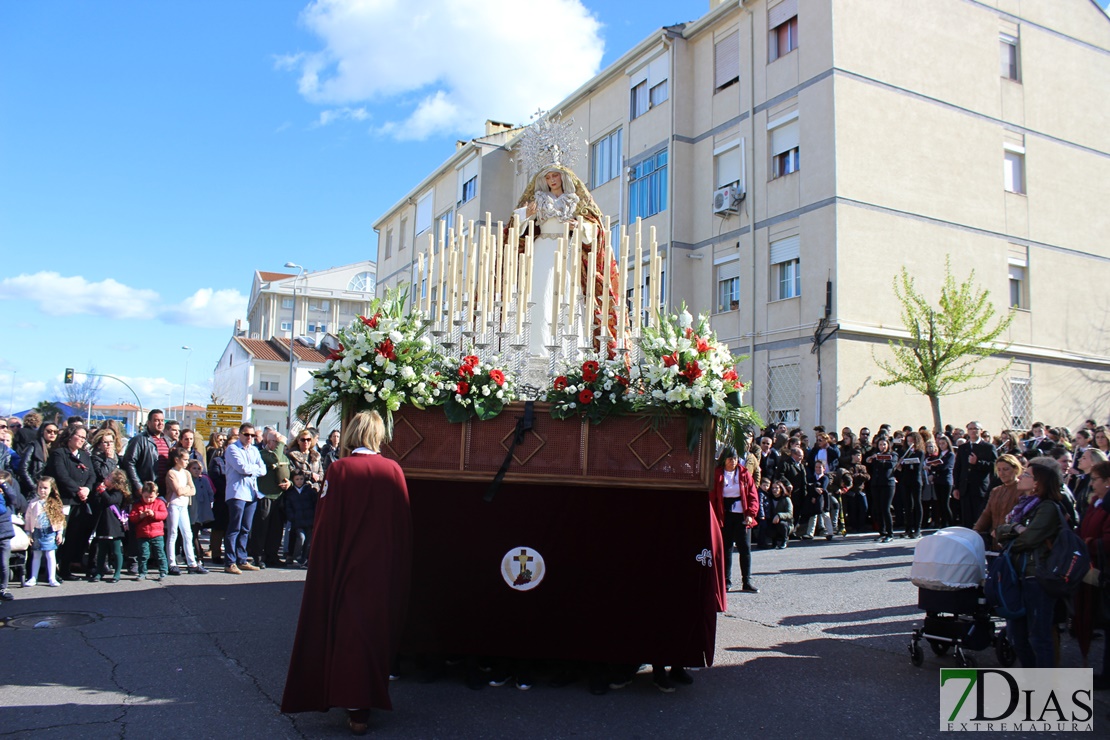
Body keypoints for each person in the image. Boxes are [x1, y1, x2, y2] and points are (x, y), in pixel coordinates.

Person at [281, 410, 413, 735]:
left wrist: (323, 565)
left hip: (347, 565)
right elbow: (403, 525)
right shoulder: (393, 470)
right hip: (381, 567)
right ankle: (363, 703)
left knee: (349, 633)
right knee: (372, 633)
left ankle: (356, 707)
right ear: (379, 435)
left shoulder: (339, 470)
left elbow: (324, 525)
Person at [511, 163, 621, 367]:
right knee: (540, 295)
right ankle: (537, 349)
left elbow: (595, 228)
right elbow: (513, 228)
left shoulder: (576, 201)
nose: (552, 180)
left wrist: (579, 226)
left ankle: (571, 352)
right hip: (542, 250)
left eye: (555, 176)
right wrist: (525, 215)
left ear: (563, 178)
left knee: (567, 296)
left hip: (567, 251)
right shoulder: (538, 201)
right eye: (548, 177)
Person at [994, 457, 1065, 668]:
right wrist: (1013, 529)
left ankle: (1044, 687)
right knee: (1017, 637)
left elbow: (1029, 539)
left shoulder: (1048, 507)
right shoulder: (1023, 505)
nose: (1021, 476)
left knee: (1039, 637)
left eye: (1026, 474)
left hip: (1037, 577)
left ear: (1037, 483)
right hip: (1017, 574)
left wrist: (1010, 535)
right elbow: (999, 530)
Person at [1073, 460, 1110, 685]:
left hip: (1104, 570)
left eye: (1095, 480)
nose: (1092, 483)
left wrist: (1088, 543)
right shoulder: (1097, 502)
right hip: (1093, 570)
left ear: (1107, 482)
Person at [46, 426, 95, 580]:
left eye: (84, 438)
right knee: (61, 536)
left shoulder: (85, 456)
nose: (82, 440)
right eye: (79, 436)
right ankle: (52, 570)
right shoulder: (59, 454)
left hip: (80, 502)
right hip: (64, 500)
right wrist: (77, 490)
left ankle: (65, 569)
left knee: (74, 536)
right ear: (70, 436)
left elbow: (92, 475)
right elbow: (62, 475)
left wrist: (87, 488)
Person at [710, 446, 759, 592]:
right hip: (724, 515)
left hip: (742, 515)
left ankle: (747, 581)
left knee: (745, 549)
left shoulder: (744, 474)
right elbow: (712, 497)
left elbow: (752, 496)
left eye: (735, 459)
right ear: (724, 460)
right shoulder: (717, 474)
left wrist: (751, 514)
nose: (733, 462)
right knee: (726, 549)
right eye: (730, 459)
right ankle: (726, 580)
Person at [224, 424, 266, 575]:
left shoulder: (254, 450)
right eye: (246, 434)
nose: (249, 438)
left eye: (252, 435)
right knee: (234, 528)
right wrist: (253, 469)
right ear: (240, 435)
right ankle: (230, 561)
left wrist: (252, 469)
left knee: (246, 528)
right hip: (237, 493)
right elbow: (242, 468)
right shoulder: (232, 449)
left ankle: (241, 559)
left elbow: (263, 469)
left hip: (252, 493)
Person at [250, 430, 290, 568]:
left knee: (276, 529)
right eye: (275, 441)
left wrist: (289, 483)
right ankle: (258, 556)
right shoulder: (262, 455)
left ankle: (272, 555)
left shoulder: (284, 456)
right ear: (268, 441)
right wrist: (282, 443)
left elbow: (287, 469)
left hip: (278, 497)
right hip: (265, 496)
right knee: (261, 528)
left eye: (279, 442)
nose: (278, 444)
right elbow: (275, 459)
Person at [165, 448, 207, 575]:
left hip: (183, 505)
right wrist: (185, 489)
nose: (186, 462)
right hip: (173, 504)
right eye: (184, 459)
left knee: (187, 534)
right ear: (176, 460)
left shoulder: (186, 473)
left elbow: (193, 490)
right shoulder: (171, 473)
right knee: (173, 533)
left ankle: (192, 563)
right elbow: (177, 490)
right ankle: (171, 563)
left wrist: (184, 490)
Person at [972, 454, 1023, 550]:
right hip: (995, 540)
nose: (1001, 473)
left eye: (1005, 469)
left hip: (1012, 541)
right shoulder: (996, 491)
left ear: (1015, 469)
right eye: (999, 470)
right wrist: (976, 531)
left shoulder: (1022, 490)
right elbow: (987, 514)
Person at [953, 420, 997, 528]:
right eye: (970, 429)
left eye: (976, 429)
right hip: (965, 488)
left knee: (979, 519)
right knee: (966, 519)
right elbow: (958, 468)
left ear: (981, 431)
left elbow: (994, 466)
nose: (973, 431)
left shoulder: (988, 447)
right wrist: (956, 487)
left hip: (980, 488)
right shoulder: (963, 448)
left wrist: (978, 463)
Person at [88, 469, 130, 583]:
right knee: (101, 551)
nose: (105, 479)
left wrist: (102, 491)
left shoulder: (118, 493)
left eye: (109, 478)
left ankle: (117, 573)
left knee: (116, 551)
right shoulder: (103, 491)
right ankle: (99, 572)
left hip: (114, 526)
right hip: (102, 525)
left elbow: (109, 501)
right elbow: (96, 501)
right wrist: (98, 492)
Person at [24, 476, 65, 587]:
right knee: (36, 555)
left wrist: (60, 533)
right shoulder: (33, 503)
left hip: (50, 531)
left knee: (50, 555)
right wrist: (28, 533)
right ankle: (33, 577)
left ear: (51, 489)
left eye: (45, 488)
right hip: (37, 531)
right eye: (40, 487)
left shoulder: (55, 503)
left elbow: (59, 519)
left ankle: (52, 577)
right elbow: (28, 519)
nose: (42, 490)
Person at [129, 482, 168, 581]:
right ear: (142, 494)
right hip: (142, 534)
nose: (148, 499)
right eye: (146, 497)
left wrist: (154, 514)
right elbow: (132, 518)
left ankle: (163, 571)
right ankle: (142, 572)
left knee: (160, 554)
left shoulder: (160, 503)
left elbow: (164, 515)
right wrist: (141, 516)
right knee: (143, 555)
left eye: (151, 497)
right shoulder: (138, 505)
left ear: (156, 495)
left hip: (157, 534)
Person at [0, 470, 28, 600]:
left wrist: (4, 485)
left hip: (4, 533)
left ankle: (3, 588)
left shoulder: (5, 494)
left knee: (4, 563)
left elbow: (13, 499)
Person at [283, 470, 317, 568]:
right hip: (297, 521)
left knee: (308, 541)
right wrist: (292, 518)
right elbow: (288, 508)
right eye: (297, 479)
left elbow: (315, 504)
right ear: (293, 480)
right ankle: (296, 555)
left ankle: (304, 558)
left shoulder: (309, 491)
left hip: (309, 520)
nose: (299, 481)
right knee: (301, 538)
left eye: (301, 479)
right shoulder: (290, 493)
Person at [895, 432, 926, 538]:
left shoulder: (920, 452)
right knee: (908, 505)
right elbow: (901, 470)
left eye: (912, 441)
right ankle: (908, 528)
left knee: (917, 503)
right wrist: (899, 467)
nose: (910, 443)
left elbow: (918, 468)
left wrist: (907, 463)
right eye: (908, 441)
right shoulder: (904, 452)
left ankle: (917, 529)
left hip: (915, 481)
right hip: (905, 481)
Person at [868, 436, 897, 543]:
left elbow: (890, 465)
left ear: (888, 445)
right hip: (876, 484)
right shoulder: (876, 455)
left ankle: (890, 533)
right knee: (878, 509)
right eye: (880, 444)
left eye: (884, 444)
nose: (882, 447)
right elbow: (870, 464)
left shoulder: (893, 455)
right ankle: (882, 532)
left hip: (888, 484)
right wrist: (872, 458)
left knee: (886, 508)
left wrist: (880, 459)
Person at [17, 421, 56, 496]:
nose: (52, 434)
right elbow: (23, 469)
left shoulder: (56, 449)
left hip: (49, 489)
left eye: (55, 432)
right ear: (42, 432)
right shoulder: (33, 446)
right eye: (49, 431)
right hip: (33, 489)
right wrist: (35, 487)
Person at [767, 480, 793, 549]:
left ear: (781, 489)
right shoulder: (769, 498)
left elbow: (790, 514)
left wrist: (779, 515)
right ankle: (773, 541)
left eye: (777, 488)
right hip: (772, 521)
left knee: (782, 524)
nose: (774, 490)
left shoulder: (786, 499)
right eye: (773, 488)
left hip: (785, 522)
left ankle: (784, 541)